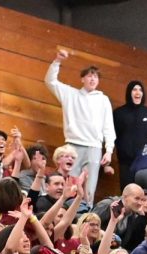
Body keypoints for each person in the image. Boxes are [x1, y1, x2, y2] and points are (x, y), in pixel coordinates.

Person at [45, 49, 115, 204]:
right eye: (89, 75)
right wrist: (57, 61)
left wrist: (109, 150)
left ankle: (86, 217)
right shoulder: (70, 94)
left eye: (95, 76)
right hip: (73, 145)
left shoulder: (103, 100)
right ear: (82, 78)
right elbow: (50, 82)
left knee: (90, 189)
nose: (92, 78)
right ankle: (64, 216)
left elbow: (108, 127)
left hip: (94, 147)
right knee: (70, 186)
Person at [113, 80, 147, 188]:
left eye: (140, 90)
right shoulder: (119, 113)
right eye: (134, 89)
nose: (137, 92)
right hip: (125, 163)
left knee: (143, 193)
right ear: (129, 92)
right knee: (127, 192)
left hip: (145, 163)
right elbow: (112, 136)